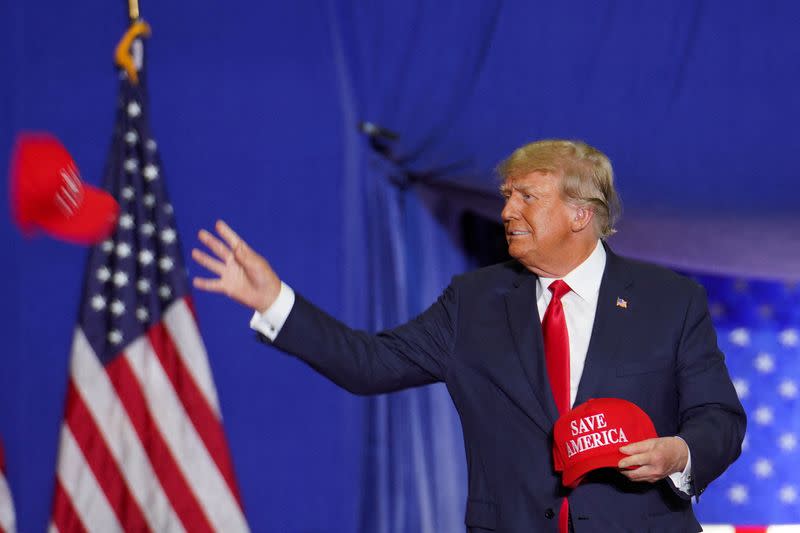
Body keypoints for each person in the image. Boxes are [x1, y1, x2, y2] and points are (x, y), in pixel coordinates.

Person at [191, 139, 745, 532]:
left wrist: (681, 452)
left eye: (527, 196)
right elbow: (369, 363)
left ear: (582, 214)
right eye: (506, 195)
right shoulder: (472, 303)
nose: (507, 211)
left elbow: (719, 418)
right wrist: (274, 302)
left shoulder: (670, 300)